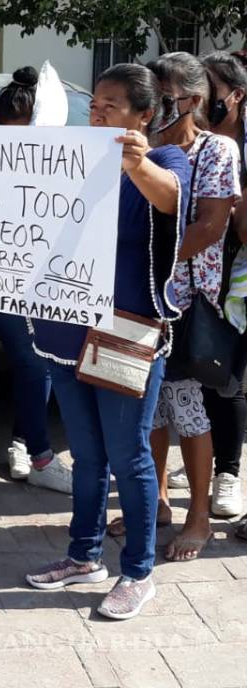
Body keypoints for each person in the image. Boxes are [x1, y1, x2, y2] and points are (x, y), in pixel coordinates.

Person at [25, 63, 191, 620]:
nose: (97, 114)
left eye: (112, 106)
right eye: (94, 106)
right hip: (64, 329)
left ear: (145, 115)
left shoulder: (163, 160)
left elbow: (169, 199)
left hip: (124, 332)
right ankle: (83, 555)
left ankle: (138, 571)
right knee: (88, 455)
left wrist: (136, 161)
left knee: (129, 456)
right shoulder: (71, 160)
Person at [130, 52, 238, 562]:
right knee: (148, 409)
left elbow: (211, 227)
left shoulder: (217, 151)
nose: (152, 107)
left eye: (163, 97)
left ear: (192, 101)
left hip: (187, 302)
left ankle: (198, 517)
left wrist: (151, 262)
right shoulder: (138, 149)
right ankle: (157, 505)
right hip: (140, 298)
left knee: (189, 411)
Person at [0, 66, 73, 495]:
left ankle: (24, 443)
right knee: (33, 359)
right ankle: (39, 454)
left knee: (40, 363)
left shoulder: (70, 161)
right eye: (6, 132)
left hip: (50, 284)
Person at [200, 50, 247, 522]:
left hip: (239, 281)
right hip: (203, 279)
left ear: (234, 96)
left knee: (230, 380)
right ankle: (206, 460)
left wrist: (228, 209)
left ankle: (228, 474)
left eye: (206, 90)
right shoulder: (192, 142)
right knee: (204, 377)